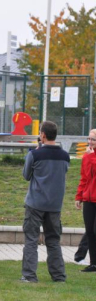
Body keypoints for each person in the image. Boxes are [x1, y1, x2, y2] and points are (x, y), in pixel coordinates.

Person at [21, 121, 69, 283]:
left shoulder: (35, 154)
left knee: (31, 240)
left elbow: (26, 175)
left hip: (35, 203)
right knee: (54, 241)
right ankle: (59, 276)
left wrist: (33, 153)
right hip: (55, 205)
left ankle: (29, 275)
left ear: (42, 135)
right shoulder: (65, 156)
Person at [75, 128, 96, 272]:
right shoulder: (87, 156)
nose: (90, 142)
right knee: (89, 231)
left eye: (93, 139)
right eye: (89, 139)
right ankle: (93, 263)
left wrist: (91, 157)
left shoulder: (90, 156)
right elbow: (84, 178)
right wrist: (79, 196)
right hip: (89, 198)